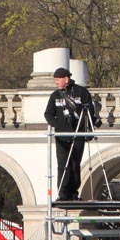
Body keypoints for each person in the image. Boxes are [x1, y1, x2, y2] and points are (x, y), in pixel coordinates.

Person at [44, 67, 98, 201]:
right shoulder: (55, 95)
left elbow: (89, 110)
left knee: (75, 164)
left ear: (66, 79)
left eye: (58, 80)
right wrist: (58, 126)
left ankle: (73, 193)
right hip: (62, 136)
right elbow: (48, 114)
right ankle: (63, 193)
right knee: (63, 165)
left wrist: (85, 126)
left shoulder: (81, 92)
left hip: (78, 134)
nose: (56, 82)